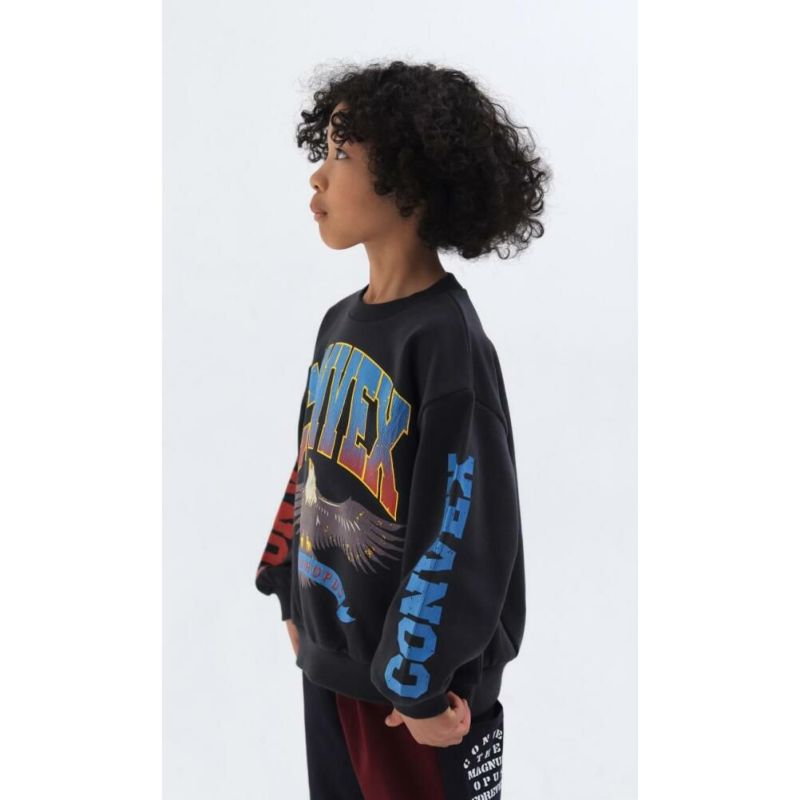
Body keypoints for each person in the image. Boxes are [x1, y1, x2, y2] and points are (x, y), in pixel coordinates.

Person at [255, 59, 551, 799]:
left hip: (415, 700)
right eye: (323, 152)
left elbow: (462, 520)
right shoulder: (339, 323)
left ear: (409, 183)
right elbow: (312, 463)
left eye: (341, 155)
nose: (318, 176)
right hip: (333, 670)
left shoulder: (447, 343)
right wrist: (289, 590)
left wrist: (416, 678)